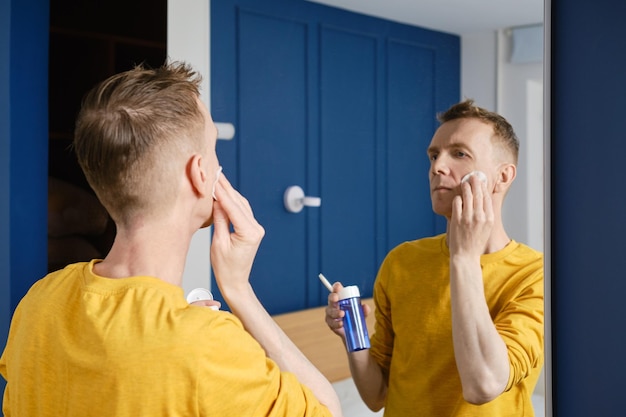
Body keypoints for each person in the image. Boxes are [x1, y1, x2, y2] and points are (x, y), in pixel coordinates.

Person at [0, 62, 342, 417]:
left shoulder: (39, 301)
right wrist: (239, 291)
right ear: (200, 174)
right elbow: (327, 410)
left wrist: (177, 339)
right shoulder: (206, 346)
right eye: (213, 148)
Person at [325, 99, 543, 416]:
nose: (437, 166)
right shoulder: (401, 262)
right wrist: (352, 336)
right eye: (433, 155)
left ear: (503, 176)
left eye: (459, 153)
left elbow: (483, 385)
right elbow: (376, 396)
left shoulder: (536, 275)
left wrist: (464, 257)